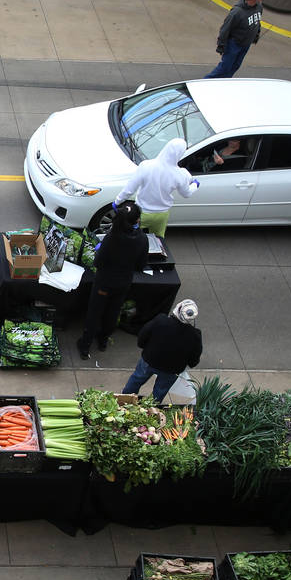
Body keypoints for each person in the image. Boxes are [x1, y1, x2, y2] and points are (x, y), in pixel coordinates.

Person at [77, 201, 148, 360]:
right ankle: (103, 341)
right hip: (123, 283)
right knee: (113, 312)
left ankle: (85, 345)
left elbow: (98, 262)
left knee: (95, 312)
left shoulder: (112, 238)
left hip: (104, 282)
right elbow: (141, 265)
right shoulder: (142, 239)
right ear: (137, 220)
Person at [123, 299, 203, 403]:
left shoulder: (161, 320)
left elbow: (143, 335)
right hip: (171, 370)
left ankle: (125, 399)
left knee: (137, 379)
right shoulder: (195, 335)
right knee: (160, 391)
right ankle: (152, 409)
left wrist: (144, 347)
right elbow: (194, 357)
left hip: (149, 360)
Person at [114, 138, 198, 237]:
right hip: (161, 215)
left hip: (141, 213)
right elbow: (186, 193)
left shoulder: (146, 166)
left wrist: (117, 202)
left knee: (133, 237)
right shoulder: (180, 174)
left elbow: (130, 189)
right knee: (158, 240)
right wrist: (195, 185)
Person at [205, 0, 264, 79]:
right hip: (234, 44)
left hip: (246, 44)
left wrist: (256, 35)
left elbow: (257, 22)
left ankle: (225, 82)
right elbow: (225, 29)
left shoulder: (259, 7)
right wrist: (221, 45)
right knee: (224, 68)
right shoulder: (237, 12)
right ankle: (205, 82)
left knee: (235, 66)